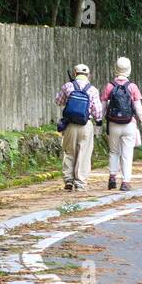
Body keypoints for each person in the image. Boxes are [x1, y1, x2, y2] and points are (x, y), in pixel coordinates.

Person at [101, 56, 142, 191]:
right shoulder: (132, 87)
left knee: (113, 151)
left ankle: (112, 177)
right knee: (127, 154)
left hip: (113, 124)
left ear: (115, 69)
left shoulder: (109, 86)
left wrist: (99, 121)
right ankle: (125, 182)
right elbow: (139, 108)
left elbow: (103, 106)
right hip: (129, 124)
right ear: (129, 70)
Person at [55, 63, 102, 191]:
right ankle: (80, 182)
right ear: (88, 75)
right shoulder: (92, 89)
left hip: (70, 124)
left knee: (69, 152)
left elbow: (58, 101)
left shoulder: (68, 86)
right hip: (85, 124)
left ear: (75, 74)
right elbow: (97, 111)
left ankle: (68, 180)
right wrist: (98, 121)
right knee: (84, 153)